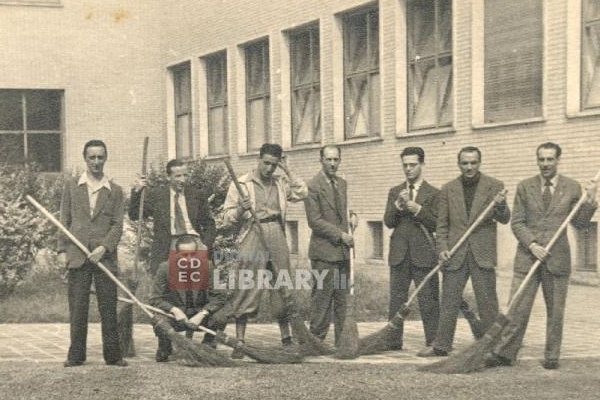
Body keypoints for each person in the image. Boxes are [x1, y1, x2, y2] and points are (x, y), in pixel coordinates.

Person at [485, 142, 597, 370]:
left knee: (555, 311)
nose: (545, 164)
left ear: (558, 160)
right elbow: (517, 222)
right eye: (541, 159)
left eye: (550, 159)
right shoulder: (525, 187)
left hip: (556, 259)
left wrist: (591, 200)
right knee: (517, 308)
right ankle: (505, 353)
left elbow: (580, 223)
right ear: (537, 160)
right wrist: (533, 244)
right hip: (528, 257)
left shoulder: (572, 187)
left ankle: (552, 354)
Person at [418, 146, 510, 357]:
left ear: (479, 162)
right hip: (455, 253)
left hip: (482, 253)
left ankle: (491, 347)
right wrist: (442, 248)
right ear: (458, 164)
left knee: (487, 301)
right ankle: (441, 345)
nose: (469, 167)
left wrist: (501, 205)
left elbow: (504, 218)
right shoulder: (448, 189)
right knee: (449, 300)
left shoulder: (495, 186)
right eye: (465, 163)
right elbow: (442, 225)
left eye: (473, 162)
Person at [222, 143, 307, 358]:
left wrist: (288, 169)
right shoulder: (242, 183)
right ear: (258, 160)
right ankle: (240, 341)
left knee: (282, 282)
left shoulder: (280, 182)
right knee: (247, 283)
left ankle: (286, 337)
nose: (269, 168)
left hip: (276, 231)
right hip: (252, 233)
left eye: (274, 164)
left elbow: (302, 192)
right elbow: (226, 218)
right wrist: (241, 208)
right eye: (266, 163)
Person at [57, 139, 127, 367]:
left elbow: (118, 225)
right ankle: (76, 356)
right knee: (78, 308)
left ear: (105, 158)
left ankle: (113, 356)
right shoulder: (71, 186)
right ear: (85, 159)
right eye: (92, 157)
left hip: (104, 257)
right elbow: (63, 220)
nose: (96, 162)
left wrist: (104, 248)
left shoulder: (115, 191)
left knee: (108, 307)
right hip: (77, 256)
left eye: (100, 157)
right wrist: (61, 250)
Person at [384, 147, 439, 350]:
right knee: (397, 298)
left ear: (422, 165)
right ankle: (392, 341)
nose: (408, 169)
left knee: (429, 299)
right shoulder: (395, 191)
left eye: (413, 165)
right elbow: (388, 222)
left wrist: (419, 210)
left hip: (424, 253)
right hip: (399, 254)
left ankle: (433, 341)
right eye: (405, 165)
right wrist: (398, 206)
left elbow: (437, 224)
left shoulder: (433, 193)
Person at [129, 159, 216, 275]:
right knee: (168, 285)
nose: (183, 180)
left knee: (199, 284)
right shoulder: (157, 196)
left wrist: (205, 245)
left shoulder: (196, 195)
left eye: (185, 175)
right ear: (169, 177)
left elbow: (210, 224)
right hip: (168, 244)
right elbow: (135, 215)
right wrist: (136, 191)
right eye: (178, 176)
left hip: (194, 242)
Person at [304, 145, 355, 346]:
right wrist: (341, 235)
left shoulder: (342, 184)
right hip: (324, 253)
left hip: (343, 254)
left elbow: (343, 211)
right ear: (321, 160)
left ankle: (342, 341)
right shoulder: (312, 186)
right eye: (329, 160)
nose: (333, 164)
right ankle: (315, 341)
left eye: (336, 160)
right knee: (322, 298)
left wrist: (353, 216)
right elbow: (314, 221)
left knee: (342, 297)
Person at [148, 235, 227, 362]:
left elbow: (219, 297)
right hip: (175, 317)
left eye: (193, 254)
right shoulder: (165, 268)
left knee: (221, 316)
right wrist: (174, 310)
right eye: (184, 255)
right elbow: (155, 299)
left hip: (200, 315)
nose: (189, 259)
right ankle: (165, 347)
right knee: (158, 318)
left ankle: (207, 345)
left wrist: (203, 313)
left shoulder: (209, 266)